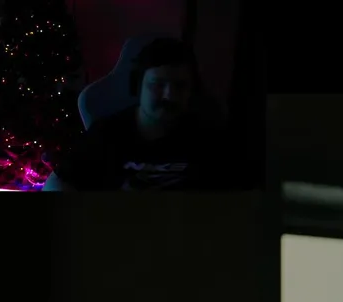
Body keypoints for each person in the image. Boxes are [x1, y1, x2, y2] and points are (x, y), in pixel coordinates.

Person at [42, 38, 227, 191]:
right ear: (138, 87)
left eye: (180, 86)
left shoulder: (207, 138)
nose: (169, 96)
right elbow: (58, 182)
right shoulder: (107, 134)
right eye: (158, 85)